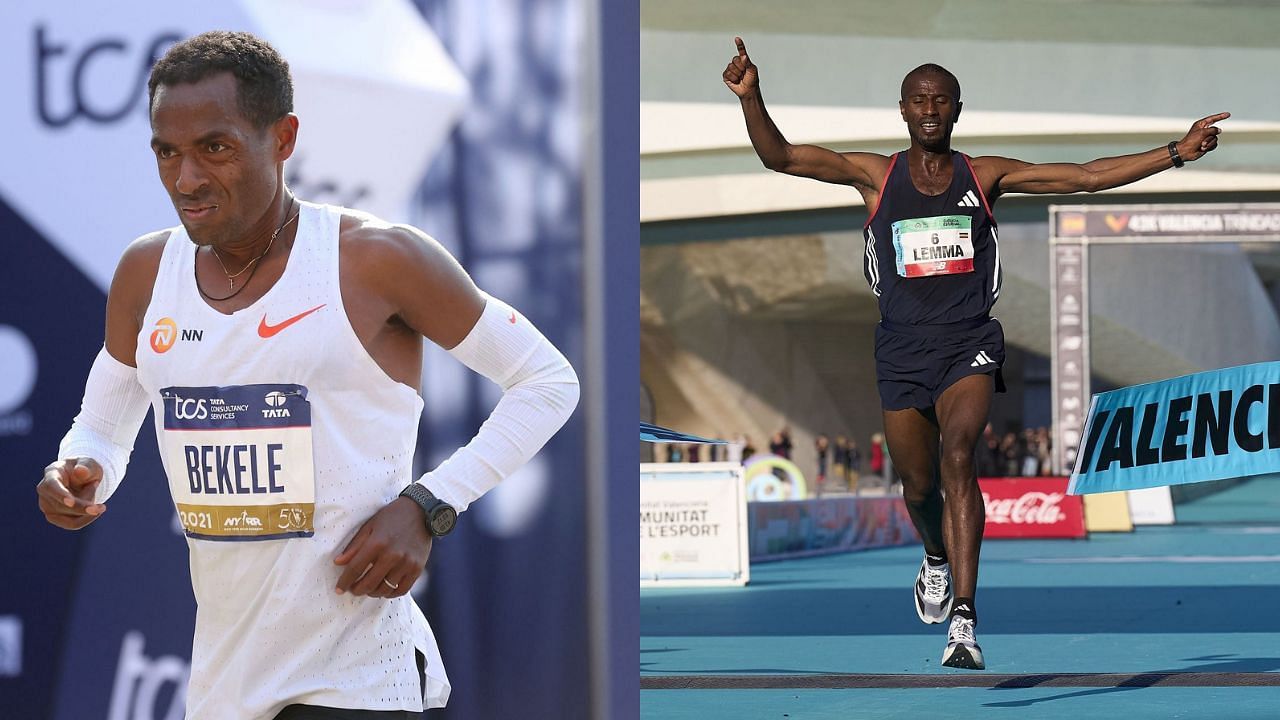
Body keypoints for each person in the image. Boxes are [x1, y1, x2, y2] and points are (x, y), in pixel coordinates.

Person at [35, 32, 579, 720]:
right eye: (167, 153)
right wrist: (82, 470)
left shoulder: (376, 259)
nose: (186, 179)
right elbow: (102, 429)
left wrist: (429, 504)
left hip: (354, 679)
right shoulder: (147, 273)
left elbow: (548, 381)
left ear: (283, 137)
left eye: (216, 147)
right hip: (225, 684)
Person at [723, 36, 1226, 670]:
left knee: (959, 454)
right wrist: (752, 96)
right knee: (917, 487)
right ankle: (935, 556)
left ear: (958, 109)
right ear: (902, 111)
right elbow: (784, 158)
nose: (930, 108)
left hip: (969, 343)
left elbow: (1087, 177)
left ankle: (964, 617)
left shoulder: (983, 176)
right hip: (901, 349)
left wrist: (1177, 153)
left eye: (941, 99)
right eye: (918, 100)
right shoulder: (875, 176)